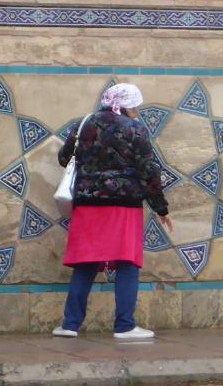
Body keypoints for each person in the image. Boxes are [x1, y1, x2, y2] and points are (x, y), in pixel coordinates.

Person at [53, 82, 172, 340]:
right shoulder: (135, 129)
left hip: (87, 204)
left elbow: (64, 158)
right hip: (123, 205)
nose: (138, 111)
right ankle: (125, 326)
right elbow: (149, 170)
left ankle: (70, 325)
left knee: (86, 263)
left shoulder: (84, 124)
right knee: (127, 262)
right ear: (128, 106)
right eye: (136, 106)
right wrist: (160, 207)